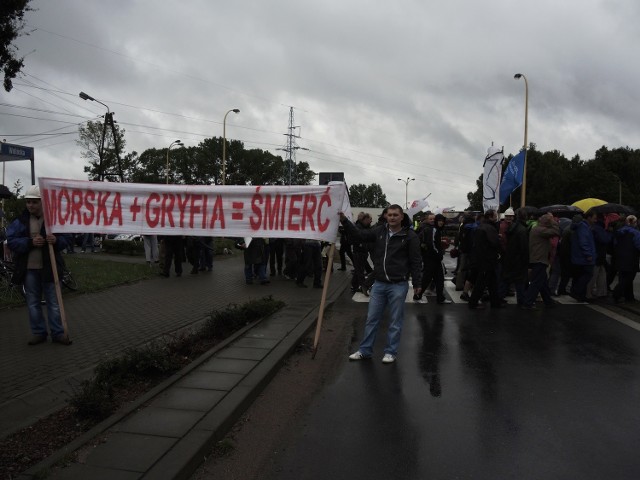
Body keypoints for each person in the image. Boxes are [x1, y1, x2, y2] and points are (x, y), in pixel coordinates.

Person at [341, 204, 422, 363]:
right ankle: (365, 350)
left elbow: (416, 261)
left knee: (395, 321)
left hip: (398, 284)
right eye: (389, 215)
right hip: (379, 283)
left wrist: (418, 282)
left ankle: (390, 352)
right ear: (386, 216)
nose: (392, 217)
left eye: (395, 215)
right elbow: (359, 235)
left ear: (401, 217)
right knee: (372, 319)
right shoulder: (379, 231)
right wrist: (344, 221)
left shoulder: (410, 236)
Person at [6, 185, 72, 345]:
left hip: (50, 267)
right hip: (29, 269)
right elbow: (12, 240)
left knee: (53, 302)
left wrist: (56, 241)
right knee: (33, 302)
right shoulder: (21, 221)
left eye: (34, 202)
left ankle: (58, 333)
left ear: (42, 202)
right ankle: (38, 332)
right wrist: (30, 242)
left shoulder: (53, 219)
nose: (30, 205)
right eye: (28, 202)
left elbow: (68, 236)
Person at [521, 212, 560, 309]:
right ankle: (528, 302)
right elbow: (556, 232)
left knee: (543, 282)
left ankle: (548, 301)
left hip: (537, 259)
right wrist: (553, 221)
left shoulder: (536, 229)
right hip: (540, 259)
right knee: (537, 282)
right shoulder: (541, 230)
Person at [468, 209, 502, 309]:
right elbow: (494, 243)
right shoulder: (489, 228)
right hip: (487, 260)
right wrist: (498, 239)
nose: (497, 217)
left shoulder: (482, 227)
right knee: (481, 283)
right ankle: (473, 303)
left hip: (484, 259)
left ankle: (495, 303)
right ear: (491, 216)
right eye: (495, 215)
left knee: (492, 283)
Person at [418, 213, 451, 304]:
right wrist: (439, 254)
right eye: (439, 221)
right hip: (431, 259)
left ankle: (440, 298)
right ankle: (417, 296)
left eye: (442, 221)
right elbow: (431, 244)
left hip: (434, 258)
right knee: (427, 278)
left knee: (439, 278)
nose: (441, 222)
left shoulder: (436, 230)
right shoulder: (433, 230)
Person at [502, 208, 529, 306]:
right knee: (520, 281)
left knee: (506, 280)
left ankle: (499, 297)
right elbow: (524, 247)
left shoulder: (512, 227)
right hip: (518, 259)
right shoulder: (522, 229)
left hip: (510, 257)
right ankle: (521, 302)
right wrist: (526, 261)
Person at [612, 216, 640, 303]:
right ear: (634, 223)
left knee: (623, 276)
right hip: (632, 258)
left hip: (620, 257)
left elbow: (615, 243)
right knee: (629, 277)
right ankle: (617, 292)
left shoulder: (619, 231)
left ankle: (629, 296)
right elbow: (638, 246)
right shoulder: (636, 233)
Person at [570, 211, 597, 302]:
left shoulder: (583, 227)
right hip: (584, 257)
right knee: (587, 274)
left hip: (579, 257)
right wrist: (588, 254)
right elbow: (584, 242)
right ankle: (577, 291)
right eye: (594, 218)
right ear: (589, 218)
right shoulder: (583, 227)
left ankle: (580, 295)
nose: (595, 220)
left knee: (580, 275)